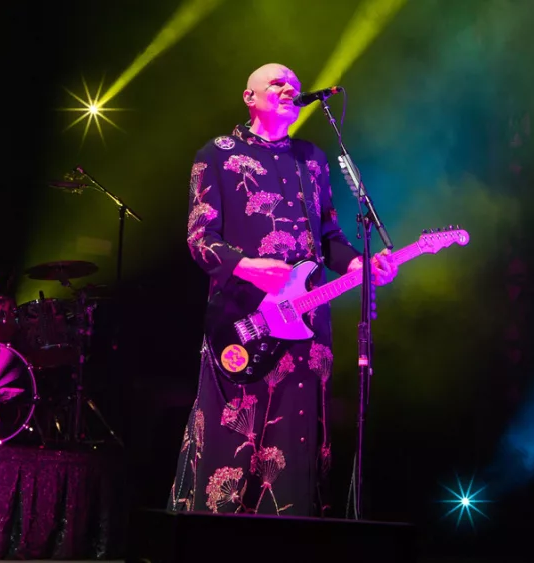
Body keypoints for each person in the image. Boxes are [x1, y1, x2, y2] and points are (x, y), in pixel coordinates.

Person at [169, 63, 397, 516]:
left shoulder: (312, 159)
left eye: (294, 84)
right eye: (276, 82)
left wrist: (358, 262)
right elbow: (199, 238)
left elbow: (328, 237)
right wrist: (249, 266)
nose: (289, 87)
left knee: (296, 444)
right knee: (231, 437)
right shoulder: (216, 154)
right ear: (249, 97)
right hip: (241, 321)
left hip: (306, 325)